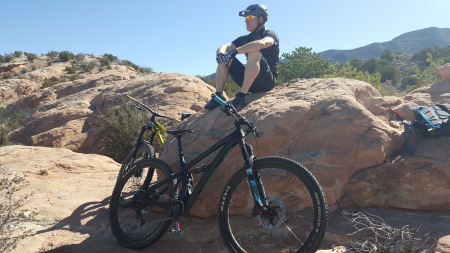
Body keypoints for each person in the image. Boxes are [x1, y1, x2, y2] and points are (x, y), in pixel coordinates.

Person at [204, 4, 280, 111]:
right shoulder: (245, 38)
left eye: (249, 17)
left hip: (266, 82)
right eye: (245, 18)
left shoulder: (270, 34)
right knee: (224, 56)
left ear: (261, 18)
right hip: (249, 81)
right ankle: (218, 95)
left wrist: (236, 51)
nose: (246, 21)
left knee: (254, 53)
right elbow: (224, 47)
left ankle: (241, 97)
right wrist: (220, 54)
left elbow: (261, 44)